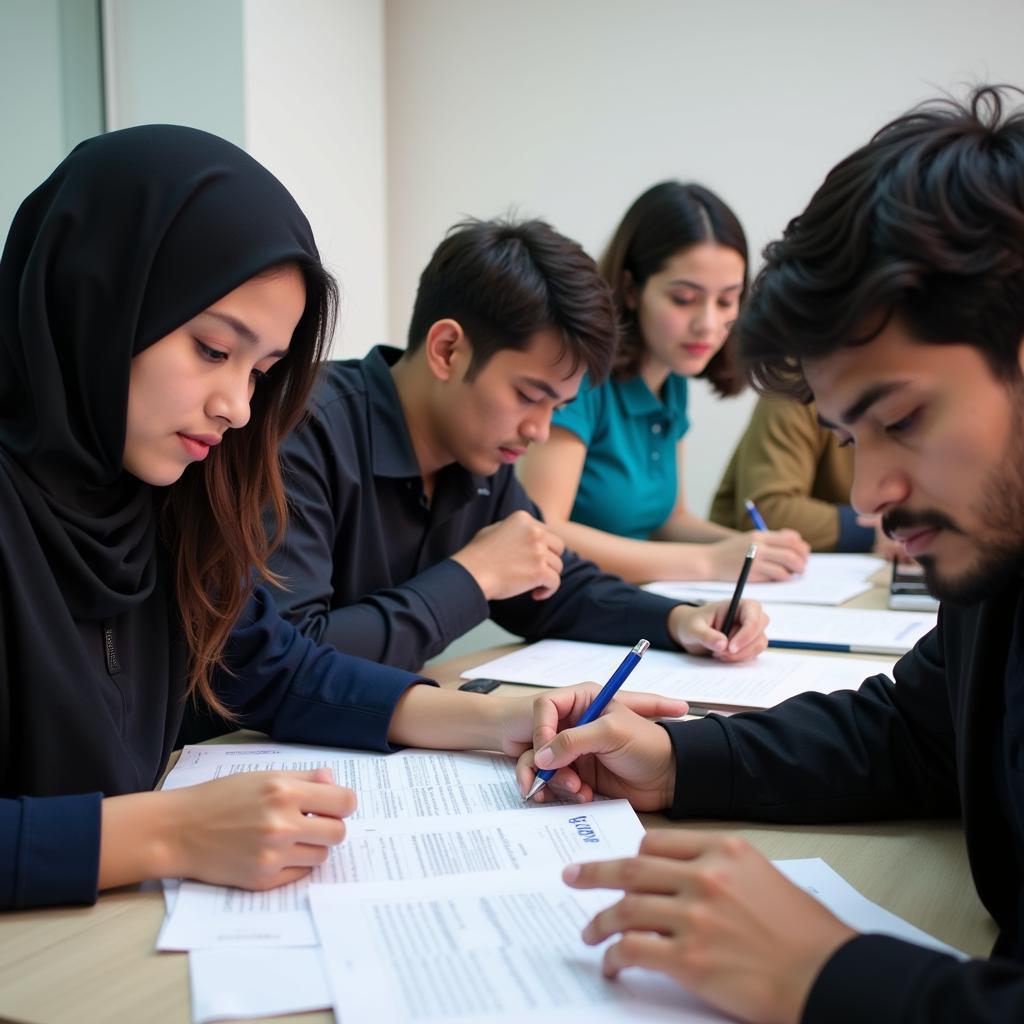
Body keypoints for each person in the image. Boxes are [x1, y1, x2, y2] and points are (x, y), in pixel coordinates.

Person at [0, 127, 703, 912]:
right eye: (209, 349)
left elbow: (273, 665)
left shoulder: (170, 491)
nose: (236, 407)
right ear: (96, 298)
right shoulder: (238, 454)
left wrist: (500, 719)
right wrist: (165, 833)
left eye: (262, 372)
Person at [516, 86, 1024, 1023]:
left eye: (903, 419)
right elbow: (913, 733)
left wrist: (829, 974)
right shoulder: (995, 571)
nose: (869, 494)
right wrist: (676, 758)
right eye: (849, 436)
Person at [252, 217, 768, 674]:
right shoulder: (303, 428)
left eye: (557, 408)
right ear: (447, 350)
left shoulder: (477, 452)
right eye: (528, 396)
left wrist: (680, 619)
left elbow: (555, 586)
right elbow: (288, 656)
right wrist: (475, 575)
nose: (539, 430)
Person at [518, 181, 810, 584]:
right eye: (684, 299)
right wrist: (710, 562)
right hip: (569, 614)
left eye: (726, 301)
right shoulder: (581, 381)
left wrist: (750, 548)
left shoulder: (673, 382)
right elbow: (543, 528)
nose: (708, 324)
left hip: (633, 600)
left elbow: (667, 519)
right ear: (632, 289)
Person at [709, 393, 906, 556]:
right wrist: (876, 530)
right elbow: (770, 510)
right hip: (753, 579)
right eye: (848, 441)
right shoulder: (795, 385)